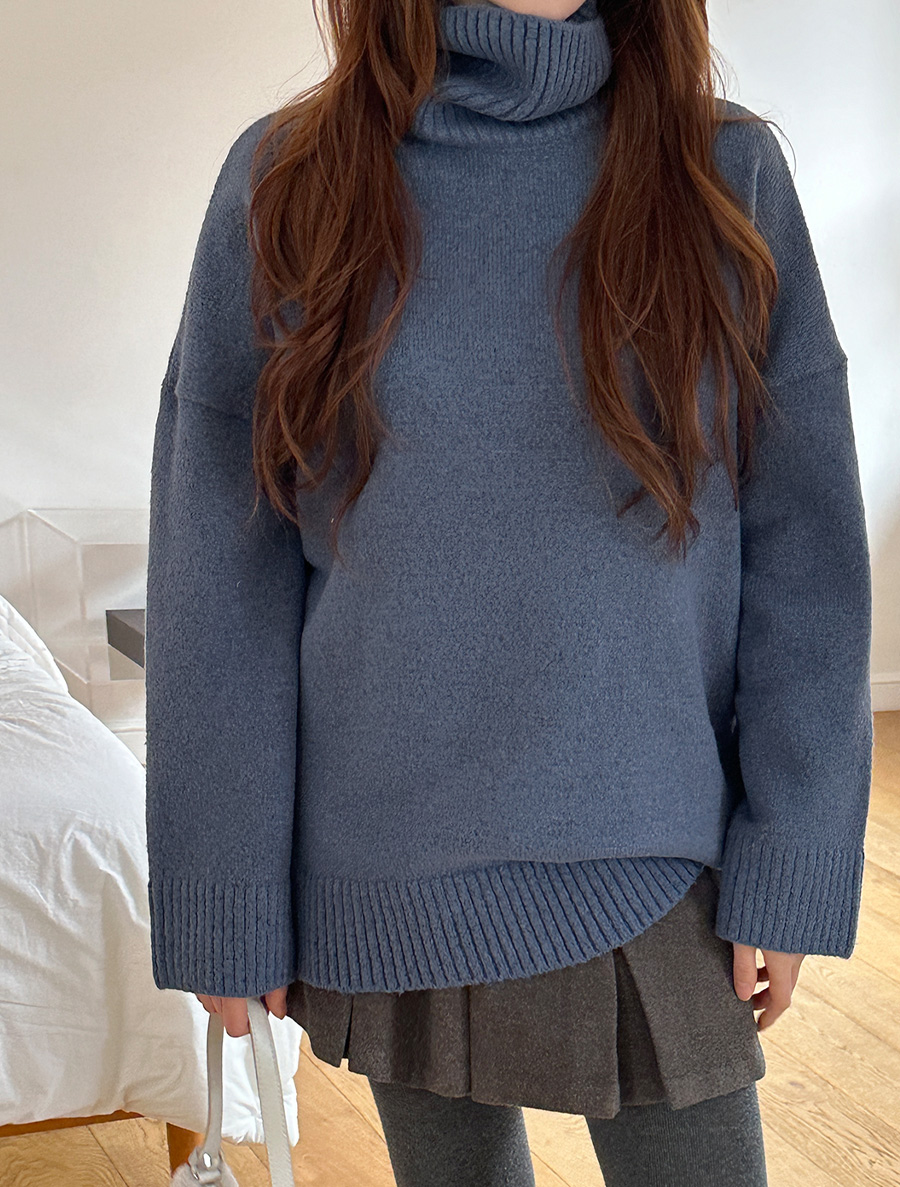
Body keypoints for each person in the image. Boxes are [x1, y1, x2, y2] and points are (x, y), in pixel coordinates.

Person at [144, 0, 873, 1183]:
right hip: (387, 863)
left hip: (657, 857)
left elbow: (809, 556)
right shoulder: (288, 184)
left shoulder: (725, 173)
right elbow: (221, 581)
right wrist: (222, 892)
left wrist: (791, 850)